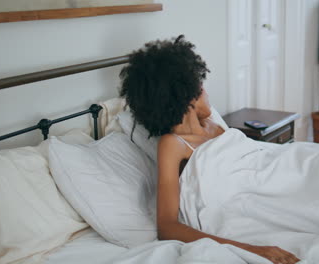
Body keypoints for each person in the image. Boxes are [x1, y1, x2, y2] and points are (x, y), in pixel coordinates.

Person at [119, 35, 300, 264]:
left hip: (284, 170)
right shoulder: (172, 144)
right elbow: (167, 226)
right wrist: (253, 250)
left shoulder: (213, 123)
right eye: (201, 86)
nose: (206, 93)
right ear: (188, 97)